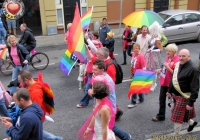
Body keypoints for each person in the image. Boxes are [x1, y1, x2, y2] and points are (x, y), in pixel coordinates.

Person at [84, 60, 131, 140]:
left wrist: (91, 93)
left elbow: (102, 95)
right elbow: (95, 114)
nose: (93, 71)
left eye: (95, 70)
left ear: (102, 70)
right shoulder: (99, 78)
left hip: (108, 107)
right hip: (101, 105)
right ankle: (125, 137)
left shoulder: (106, 81)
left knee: (109, 126)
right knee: (106, 125)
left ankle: (126, 137)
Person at [18, 70, 64, 140]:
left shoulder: (35, 92)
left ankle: (57, 139)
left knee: (34, 133)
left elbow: (36, 109)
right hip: (35, 116)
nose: (20, 83)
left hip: (36, 117)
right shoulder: (30, 86)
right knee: (36, 133)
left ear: (26, 80)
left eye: (20, 81)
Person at [166, 49, 199, 135]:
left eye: (183, 56)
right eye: (180, 56)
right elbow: (173, 79)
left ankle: (176, 134)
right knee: (182, 115)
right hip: (174, 95)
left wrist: (190, 102)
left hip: (184, 97)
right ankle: (192, 123)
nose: (181, 58)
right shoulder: (178, 65)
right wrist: (169, 91)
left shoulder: (194, 69)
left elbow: (195, 87)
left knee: (177, 118)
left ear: (189, 56)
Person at [152, 44, 179, 122]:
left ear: (174, 52)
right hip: (164, 82)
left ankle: (177, 116)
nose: (167, 52)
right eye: (166, 51)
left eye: (169, 51)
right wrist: (160, 69)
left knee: (173, 101)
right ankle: (161, 115)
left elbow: (176, 73)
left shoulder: (177, 60)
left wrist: (167, 67)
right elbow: (165, 67)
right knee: (161, 99)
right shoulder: (168, 58)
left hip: (171, 84)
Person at [145, 21, 163, 91]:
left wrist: (153, 50)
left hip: (154, 57)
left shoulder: (157, 39)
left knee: (154, 71)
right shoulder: (152, 37)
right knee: (148, 70)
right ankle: (149, 83)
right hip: (149, 56)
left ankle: (154, 84)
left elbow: (161, 49)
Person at [128, 43, 146, 108]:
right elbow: (132, 65)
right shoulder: (133, 55)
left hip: (139, 74)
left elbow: (143, 66)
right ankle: (141, 99)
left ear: (139, 49)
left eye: (137, 48)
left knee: (134, 88)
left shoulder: (141, 56)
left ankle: (133, 102)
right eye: (134, 48)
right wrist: (131, 73)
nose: (136, 50)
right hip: (134, 73)